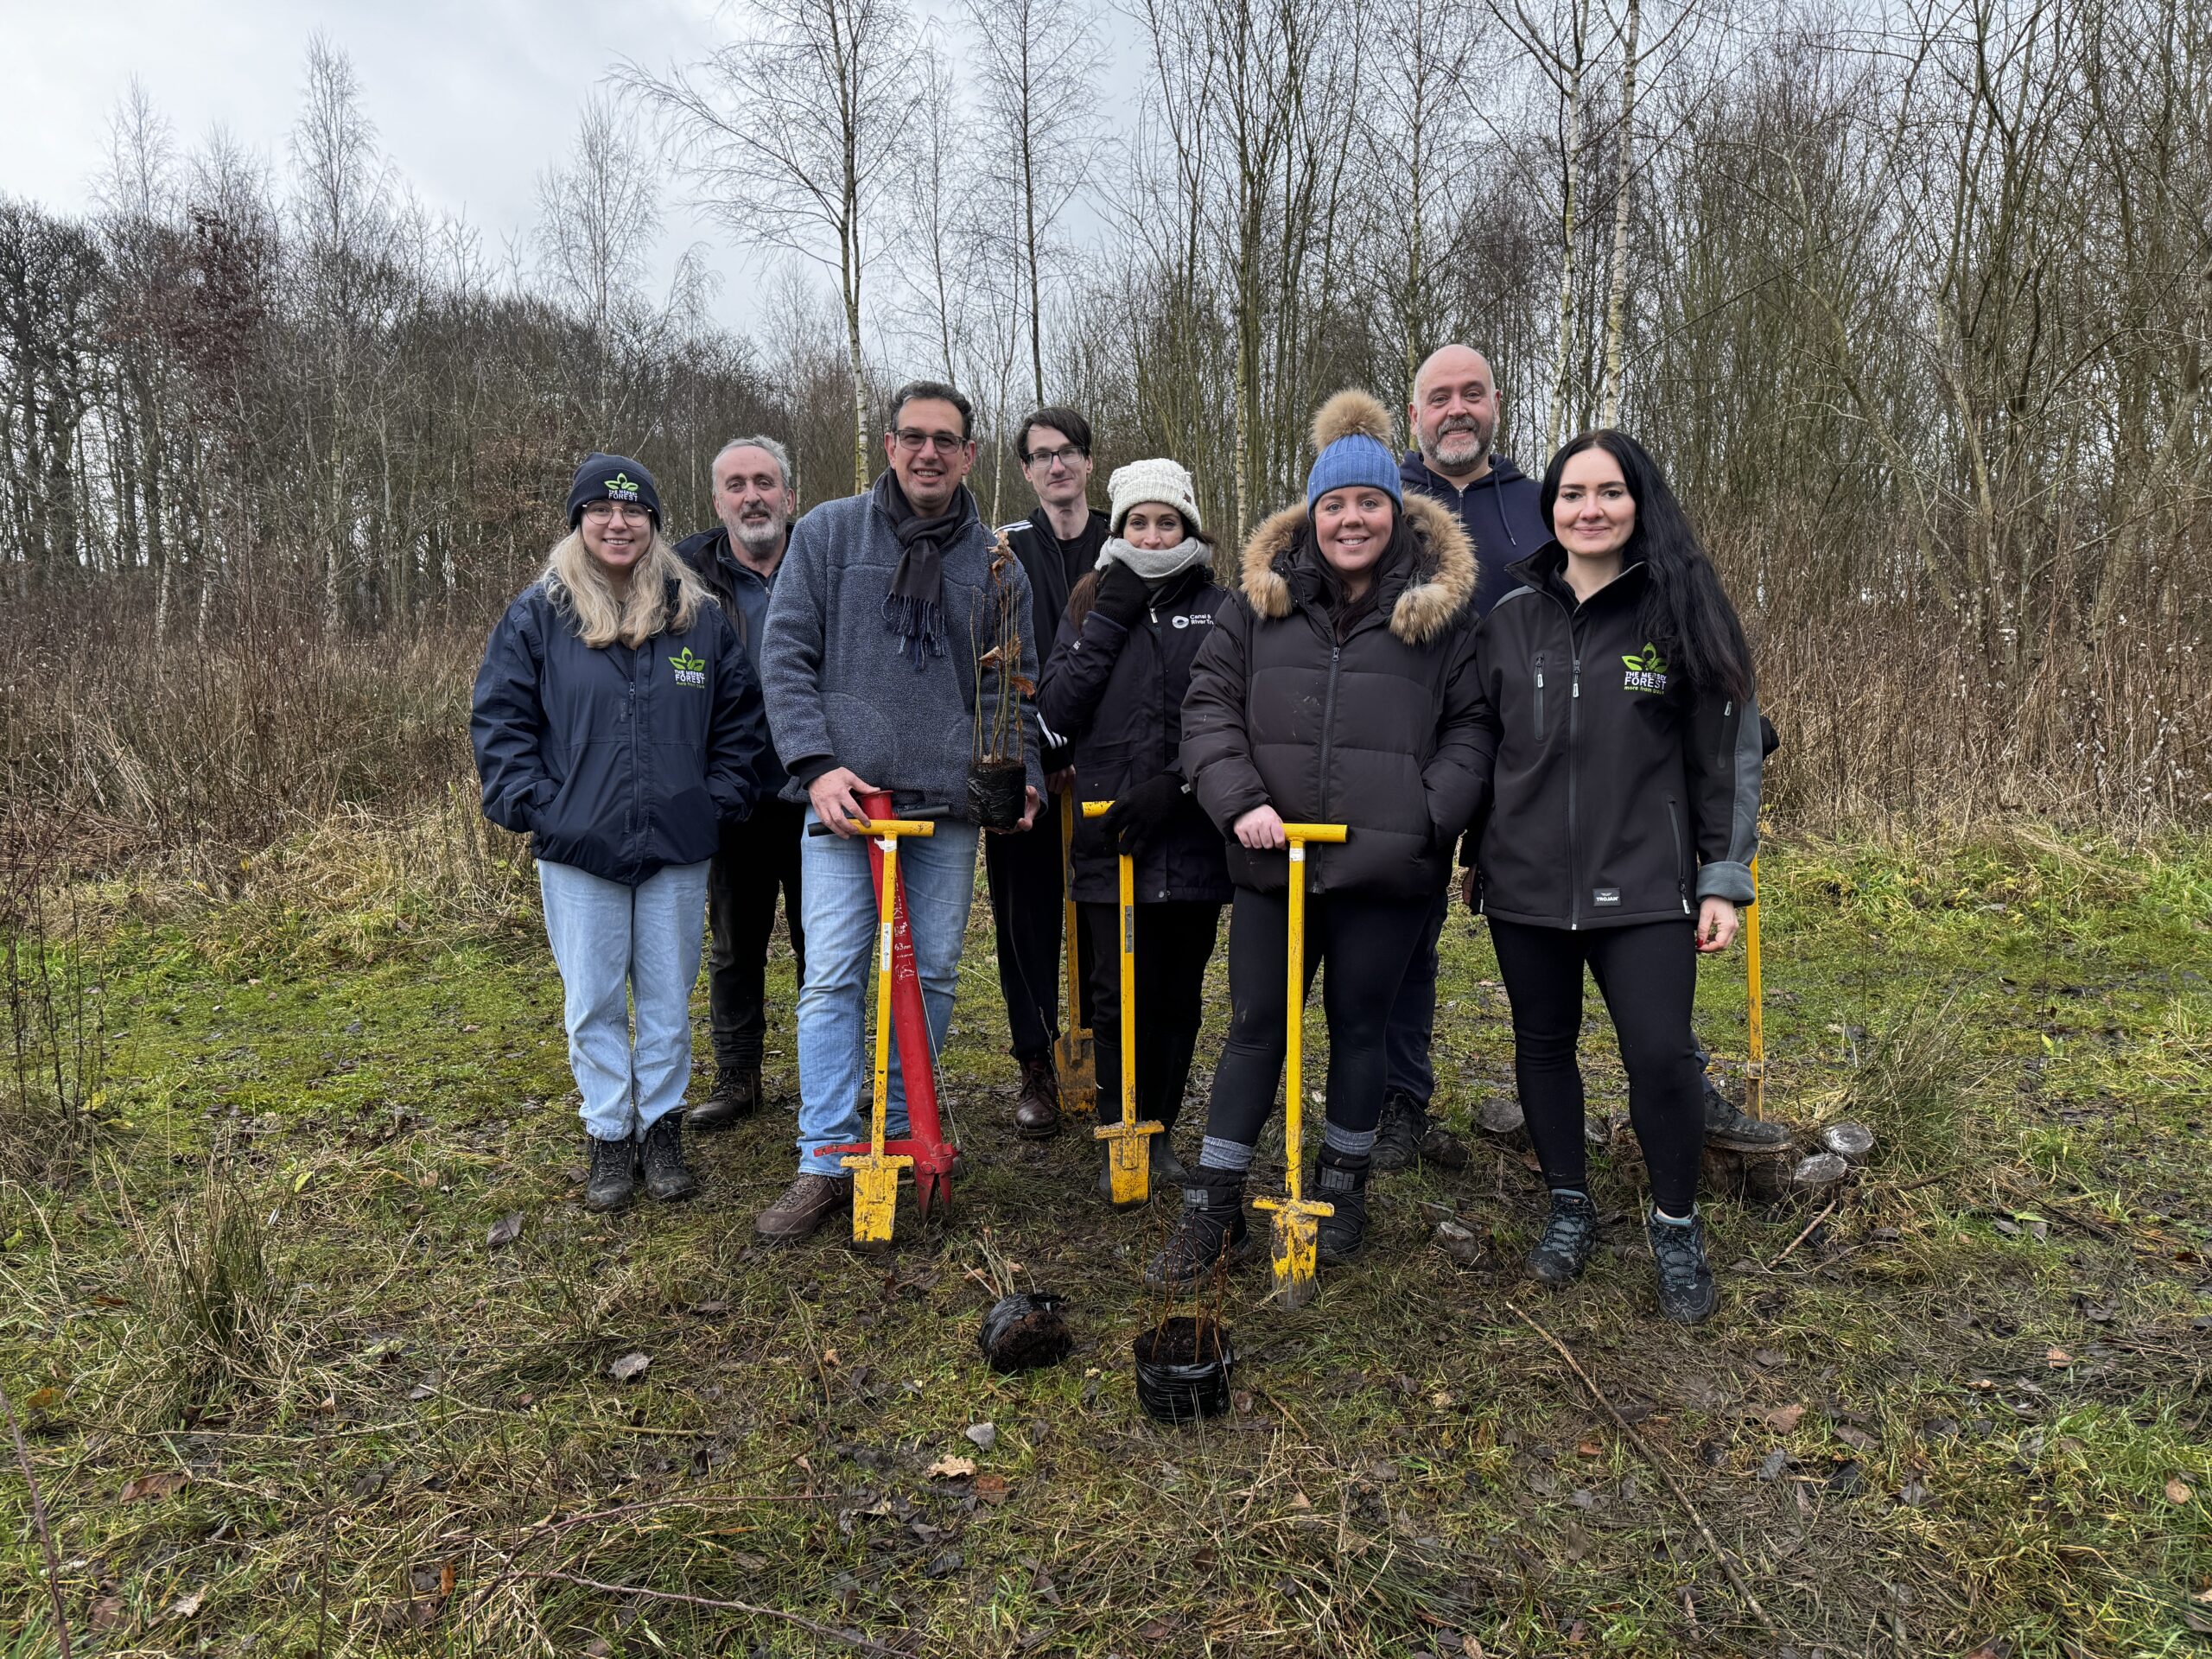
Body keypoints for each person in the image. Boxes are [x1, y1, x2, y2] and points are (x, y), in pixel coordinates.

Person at [1385, 345, 1786, 1169]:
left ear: (1496, 404)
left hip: (1606, 811)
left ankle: (1684, 1115)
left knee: (1653, 1032)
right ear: (1415, 411)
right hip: (1446, 783)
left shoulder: (1541, 509)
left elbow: (1705, 700)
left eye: (1473, 393)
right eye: (1438, 397)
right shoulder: (1383, 504)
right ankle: (1400, 1102)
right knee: (1403, 960)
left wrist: (1722, 841)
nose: (1456, 409)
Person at [1156, 391, 1484, 1285]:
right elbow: (1207, 712)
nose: (1351, 520)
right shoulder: (1254, 610)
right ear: (1310, 514)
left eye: (1368, 503)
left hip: (1386, 868)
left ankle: (1342, 1186)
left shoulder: (1438, 615)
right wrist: (1239, 802)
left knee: (1359, 1025)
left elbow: (1472, 730)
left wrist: (1424, 815)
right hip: (1273, 863)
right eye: (1333, 504)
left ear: (1395, 509)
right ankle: (1214, 1203)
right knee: (1257, 1025)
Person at [1464, 429, 1764, 1325]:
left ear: (1640, 503)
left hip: (1646, 886)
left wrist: (1721, 875)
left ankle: (1674, 1225)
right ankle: (1568, 1206)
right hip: (1524, 885)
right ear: (1548, 508)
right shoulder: (1508, 620)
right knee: (1542, 1048)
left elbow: (1728, 757)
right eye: (1570, 494)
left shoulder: (1682, 612)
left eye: (1608, 493)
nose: (1587, 510)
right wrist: (1470, 849)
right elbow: (1481, 749)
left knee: (1660, 1057)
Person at [753, 381, 1044, 1243]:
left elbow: (1007, 687)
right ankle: (824, 1158)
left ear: (970, 455)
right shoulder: (830, 534)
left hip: (946, 806)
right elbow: (786, 655)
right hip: (848, 802)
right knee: (837, 973)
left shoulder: (996, 562)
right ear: (888, 446)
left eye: (945, 441)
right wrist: (814, 766)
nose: (928, 453)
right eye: (912, 437)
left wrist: (1012, 771)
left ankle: (894, 1127)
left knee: (937, 975)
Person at [472, 454, 767, 1211]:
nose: (617, 523)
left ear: (654, 525)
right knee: (594, 999)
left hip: (675, 843)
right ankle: (609, 1134)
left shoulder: (694, 617)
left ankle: (661, 1128)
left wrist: (716, 802)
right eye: (601, 510)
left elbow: (739, 723)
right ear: (579, 521)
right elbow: (501, 720)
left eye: (634, 512)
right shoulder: (540, 615)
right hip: (579, 849)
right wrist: (538, 805)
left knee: (668, 996)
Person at [1036, 457, 1230, 1201]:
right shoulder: (1089, 605)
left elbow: (1238, 714)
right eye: (1138, 523)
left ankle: (1162, 1130)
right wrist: (1110, 618)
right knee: (1116, 994)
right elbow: (1055, 719)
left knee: (1178, 995)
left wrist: (1179, 786)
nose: (1153, 536)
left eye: (1167, 521)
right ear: (1118, 530)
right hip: (1107, 836)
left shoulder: (1221, 607)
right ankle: (1121, 1129)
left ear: (1189, 526)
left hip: (1188, 830)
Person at [676, 436, 807, 1128]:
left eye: (765, 482)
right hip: (733, 792)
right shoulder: (683, 575)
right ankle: (738, 1077)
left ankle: (827, 1074)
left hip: (818, 789)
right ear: (718, 499)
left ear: (789, 493)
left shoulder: (822, 557)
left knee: (826, 944)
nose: (752, 495)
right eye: (737, 484)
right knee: (734, 945)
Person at [987, 408, 1110, 1137]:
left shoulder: (1123, 539)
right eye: (1041, 457)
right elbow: (996, 665)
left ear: (1088, 462)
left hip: (1103, 769)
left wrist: (1084, 753)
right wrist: (1038, 755)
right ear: (1028, 470)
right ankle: (1034, 1062)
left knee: (1101, 915)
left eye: (1068, 453)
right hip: (1025, 769)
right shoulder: (1003, 548)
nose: (1057, 466)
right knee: (1024, 916)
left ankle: (1095, 1055)